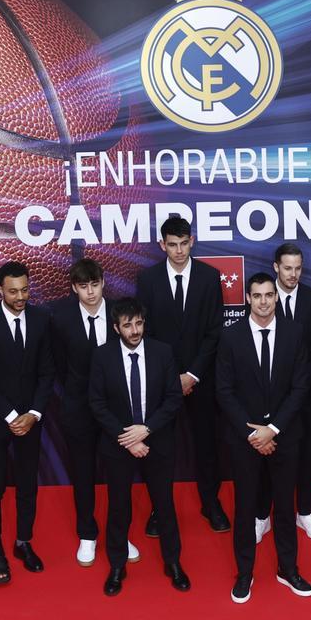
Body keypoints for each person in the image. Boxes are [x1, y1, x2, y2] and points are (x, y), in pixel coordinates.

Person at [217, 273, 311, 603]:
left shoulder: (295, 333)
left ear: (276, 297)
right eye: (256, 295)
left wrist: (272, 430)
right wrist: (253, 433)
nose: (263, 301)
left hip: (284, 437)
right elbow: (224, 391)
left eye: (268, 295)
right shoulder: (230, 337)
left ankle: (288, 569)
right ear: (247, 298)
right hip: (244, 439)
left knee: (285, 507)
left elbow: (301, 387)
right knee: (245, 508)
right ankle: (245, 573)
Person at [88, 297, 189, 596]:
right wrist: (128, 438)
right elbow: (97, 403)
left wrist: (146, 430)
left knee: (165, 506)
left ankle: (173, 562)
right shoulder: (102, 356)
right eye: (128, 325)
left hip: (157, 440)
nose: (135, 330)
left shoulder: (162, 352)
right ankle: (117, 565)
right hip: (119, 444)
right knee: (118, 507)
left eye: (139, 323)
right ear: (117, 327)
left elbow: (173, 398)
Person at [134, 216, 228, 533]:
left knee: (207, 445)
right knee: (161, 448)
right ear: (162, 245)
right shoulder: (147, 280)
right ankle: (160, 510)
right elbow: (146, 333)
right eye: (171, 245)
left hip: (201, 380)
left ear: (192, 240)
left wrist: (193, 375)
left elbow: (215, 332)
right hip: (163, 380)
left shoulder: (209, 277)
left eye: (183, 243)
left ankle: (210, 503)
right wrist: (173, 376)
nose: (178, 250)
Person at [0, 261, 54, 584]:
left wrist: (33, 414)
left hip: (31, 421)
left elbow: (47, 373)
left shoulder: (42, 319)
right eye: (13, 291)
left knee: (27, 484)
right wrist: (9, 416)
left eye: (25, 290)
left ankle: (23, 542)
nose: (21, 296)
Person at [51, 258, 139, 566]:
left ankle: (120, 535)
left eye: (95, 285)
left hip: (117, 412)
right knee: (84, 475)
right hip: (78, 411)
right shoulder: (60, 317)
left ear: (103, 282)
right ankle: (87, 535)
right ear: (74, 287)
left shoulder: (119, 312)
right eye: (83, 287)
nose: (90, 292)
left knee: (120, 478)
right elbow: (60, 366)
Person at [265, 243, 311, 542]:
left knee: (307, 454)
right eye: (288, 268)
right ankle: (261, 515)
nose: (293, 274)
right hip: (269, 397)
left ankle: (306, 512)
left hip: (307, 396)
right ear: (276, 267)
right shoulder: (264, 300)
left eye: (298, 268)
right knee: (267, 456)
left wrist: (300, 382)